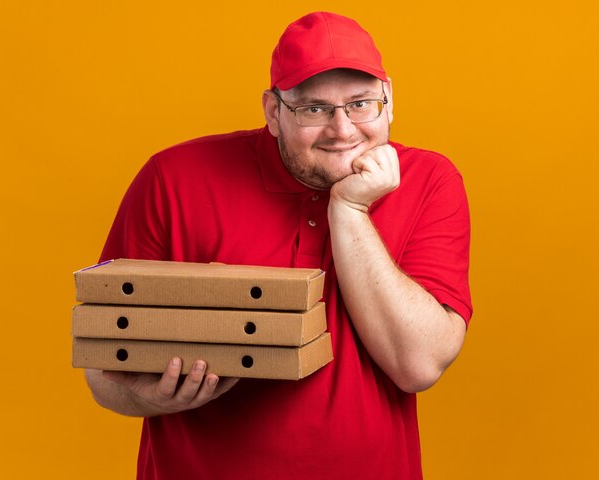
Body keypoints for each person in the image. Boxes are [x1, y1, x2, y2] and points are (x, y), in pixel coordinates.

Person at [84, 11, 472, 480]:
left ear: (389, 99)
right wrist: (145, 397)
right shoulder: (172, 179)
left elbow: (419, 364)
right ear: (273, 111)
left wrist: (348, 210)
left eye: (361, 104)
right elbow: (103, 366)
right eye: (314, 109)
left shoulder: (431, 181)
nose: (342, 130)